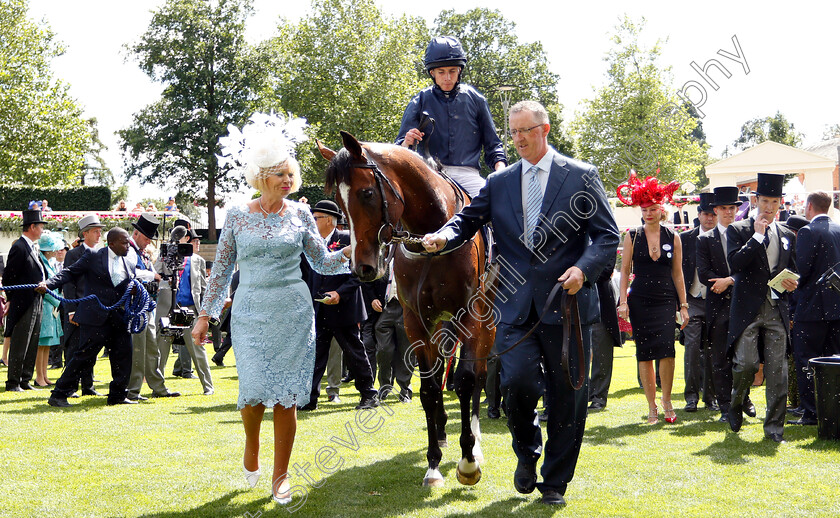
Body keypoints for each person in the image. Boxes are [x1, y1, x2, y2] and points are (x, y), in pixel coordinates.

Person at [422, 100, 618, 506]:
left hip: (567, 306)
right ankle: (527, 453)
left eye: (525, 131)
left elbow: (606, 237)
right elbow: (468, 220)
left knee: (567, 399)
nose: (518, 139)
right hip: (514, 307)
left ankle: (555, 483)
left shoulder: (581, 176)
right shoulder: (500, 181)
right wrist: (444, 235)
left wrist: (584, 270)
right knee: (517, 384)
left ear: (545, 130)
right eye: (512, 133)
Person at [192, 113, 351, 505]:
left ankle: (280, 476)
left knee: (287, 396)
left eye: (289, 174)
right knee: (253, 392)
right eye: (279, 174)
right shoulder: (237, 215)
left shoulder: (300, 214)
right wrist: (204, 315)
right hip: (249, 311)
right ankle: (251, 445)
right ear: (262, 176)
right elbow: (222, 268)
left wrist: (353, 251)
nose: (287, 180)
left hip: (294, 313)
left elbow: (322, 263)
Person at [726, 173, 798, 443]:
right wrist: (756, 237)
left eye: (774, 201)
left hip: (777, 309)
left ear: (780, 203)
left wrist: (792, 282)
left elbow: (793, 270)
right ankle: (736, 403)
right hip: (747, 310)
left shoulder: (788, 234)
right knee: (745, 365)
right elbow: (736, 264)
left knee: (778, 373)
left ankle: (774, 429)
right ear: (755, 200)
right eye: (764, 200)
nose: (769, 206)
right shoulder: (739, 229)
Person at [617, 172, 690, 425]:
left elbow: (678, 273)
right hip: (640, 299)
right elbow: (625, 271)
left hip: (666, 299)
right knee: (644, 353)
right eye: (645, 209)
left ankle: (667, 399)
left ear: (662, 210)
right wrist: (623, 301)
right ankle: (652, 405)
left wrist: (683, 305)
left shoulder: (674, 237)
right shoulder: (632, 235)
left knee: (667, 351)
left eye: (653, 209)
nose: (649, 213)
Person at [39, 228, 140, 407]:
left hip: (119, 317)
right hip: (95, 318)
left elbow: (127, 283)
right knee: (83, 357)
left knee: (123, 355)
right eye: (124, 242)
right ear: (112, 243)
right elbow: (69, 272)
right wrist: (48, 283)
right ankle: (59, 394)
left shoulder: (129, 261)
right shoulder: (93, 256)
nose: (128, 245)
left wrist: (132, 289)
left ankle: (118, 395)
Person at [396, 36, 506, 198]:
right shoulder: (419, 100)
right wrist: (407, 142)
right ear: (432, 72)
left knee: (500, 205)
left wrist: (500, 170)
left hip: (469, 176)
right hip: (429, 173)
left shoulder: (477, 100)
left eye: (452, 71)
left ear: (459, 70)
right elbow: (399, 149)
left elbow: (493, 145)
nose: (447, 77)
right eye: (441, 72)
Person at [299, 200, 378, 411]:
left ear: (329, 220)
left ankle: (369, 395)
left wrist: (339, 294)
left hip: (345, 307)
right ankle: (310, 398)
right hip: (319, 307)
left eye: (315, 218)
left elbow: (359, 273)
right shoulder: (310, 243)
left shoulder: (347, 240)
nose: (312, 222)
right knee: (315, 354)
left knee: (354, 352)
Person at [697, 186, 756, 424]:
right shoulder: (705, 240)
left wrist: (730, 280)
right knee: (720, 359)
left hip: (743, 304)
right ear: (716, 209)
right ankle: (724, 406)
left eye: (733, 208)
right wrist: (724, 281)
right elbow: (703, 274)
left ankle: (744, 398)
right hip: (717, 306)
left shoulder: (747, 235)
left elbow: (751, 269)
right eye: (724, 208)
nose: (729, 212)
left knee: (745, 358)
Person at [790, 191, 840, 427]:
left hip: (812, 308)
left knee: (807, 360)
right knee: (833, 361)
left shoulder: (809, 231)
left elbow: (802, 270)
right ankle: (832, 408)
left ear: (809, 206)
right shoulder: (839, 230)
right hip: (837, 307)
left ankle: (811, 412)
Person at [126, 213, 181, 400]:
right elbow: (130, 272)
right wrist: (153, 276)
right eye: (147, 238)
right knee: (139, 350)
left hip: (147, 305)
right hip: (135, 307)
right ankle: (133, 391)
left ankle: (158, 387)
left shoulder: (141, 252)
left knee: (151, 349)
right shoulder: (129, 251)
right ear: (136, 234)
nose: (148, 242)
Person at [680, 192, 717, 412]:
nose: (710, 218)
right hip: (692, 300)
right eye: (705, 213)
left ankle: (710, 398)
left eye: (713, 214)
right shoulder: (685, 239)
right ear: (699, 214)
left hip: (715, 301)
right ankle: (691, 397)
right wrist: (680, 303)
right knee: (692, 348)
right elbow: (676, 272)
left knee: (712, 350)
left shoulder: (724, 237)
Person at [61, 214, 106, 397]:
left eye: (100, 231)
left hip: (95, 310)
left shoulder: (101, 253)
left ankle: (88, 386)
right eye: (95, 231)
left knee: (91, 349)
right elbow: (68, 283)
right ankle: (70, 387)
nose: (99, 234)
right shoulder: (73, 254)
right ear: (85, 233)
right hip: (77, 308)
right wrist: (71, 310)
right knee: (73, 349)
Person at [3, 209, 48, 392]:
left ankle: (25, 380)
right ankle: (13, 382)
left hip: (36, 299)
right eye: (41, 227)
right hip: (24, 301)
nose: (42, 230)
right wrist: (11, 299)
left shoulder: (32, 247)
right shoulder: (19, 247)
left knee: (32, 341)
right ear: (32, 227)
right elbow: (8, 278)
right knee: (21, 342)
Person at [373, 261, 414, 402]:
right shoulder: (383, 257)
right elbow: (368, 280)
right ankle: (384, 386)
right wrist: (372, 298)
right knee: (383, 350)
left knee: (406, 350)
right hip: (386, 308)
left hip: (407, 308)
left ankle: (405, 390)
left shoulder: (412, 258)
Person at [588, 252, 621, 411]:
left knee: (602, 350)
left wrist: (578, 272)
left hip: (601, 301)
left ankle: (598, 397)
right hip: (571, 300)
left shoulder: (605, 238)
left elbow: (606, 270)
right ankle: (583, 393)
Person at [33, 231, 65, 387]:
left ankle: (44, 375)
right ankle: (39, 376)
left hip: (52, 306)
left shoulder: (48, 263)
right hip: (46, 306)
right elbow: (44, 288)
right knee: (41, 343)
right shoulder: (41, 264)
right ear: (48, 250)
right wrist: (57, 300)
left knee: (47, 343)